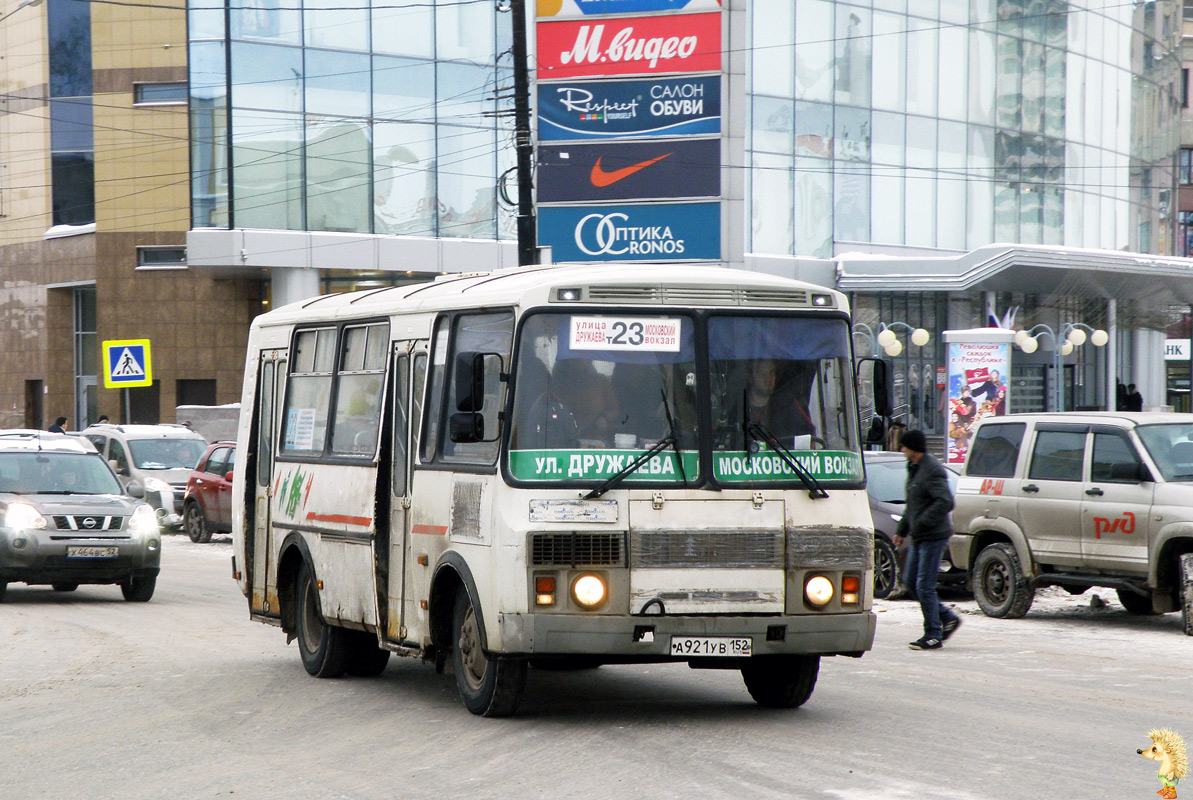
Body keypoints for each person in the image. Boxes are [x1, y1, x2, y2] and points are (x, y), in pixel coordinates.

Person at [892, 429, 961, 651]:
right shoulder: (914, 468)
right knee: (911, 582)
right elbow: (912, 504)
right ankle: (948, 618)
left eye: (904, 446)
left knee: (924, 586)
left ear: (913, 448)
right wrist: (902, 530)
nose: (901, 450)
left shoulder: (932, 469)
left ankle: (933, 634)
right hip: (919, 536)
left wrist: (920, 522)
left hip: (933, 536)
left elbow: (945, 502)